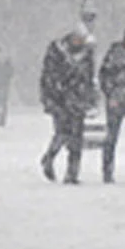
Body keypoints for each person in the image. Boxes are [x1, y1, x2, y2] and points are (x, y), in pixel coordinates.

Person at [39, 24, 96, 184]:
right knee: (62, 133)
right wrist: (53, 96)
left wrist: (89, 98)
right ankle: (49, 158)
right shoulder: (56, 53)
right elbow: (48, 77)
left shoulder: (86, 55)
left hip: (77, 100)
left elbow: (89, 78)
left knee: (77, 138)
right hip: (59, 100)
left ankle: (72, 174)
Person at [98, 28, 125, 184]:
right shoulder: (115, 52)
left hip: (116, 99)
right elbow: (104, 74)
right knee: (111, 137)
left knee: (111, 137)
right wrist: (110, 92)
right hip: (116, 101)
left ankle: (107, 170)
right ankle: (107, 171)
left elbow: (103, 74)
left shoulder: (114, 53)